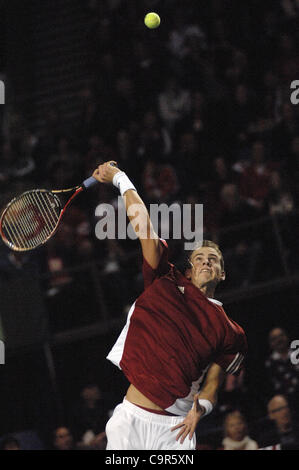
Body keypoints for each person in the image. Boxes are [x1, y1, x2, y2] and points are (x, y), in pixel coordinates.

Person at [92, 161, 247, 450]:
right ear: (188, 269)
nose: (206, 261)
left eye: (214, 259)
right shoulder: (165, 280)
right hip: (130, 422)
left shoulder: (229, 331)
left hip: (176, 432)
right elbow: (146, 231)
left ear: (222, 273)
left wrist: (200, 410)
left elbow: (212, 385)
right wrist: (121, 179)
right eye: (199, 257)